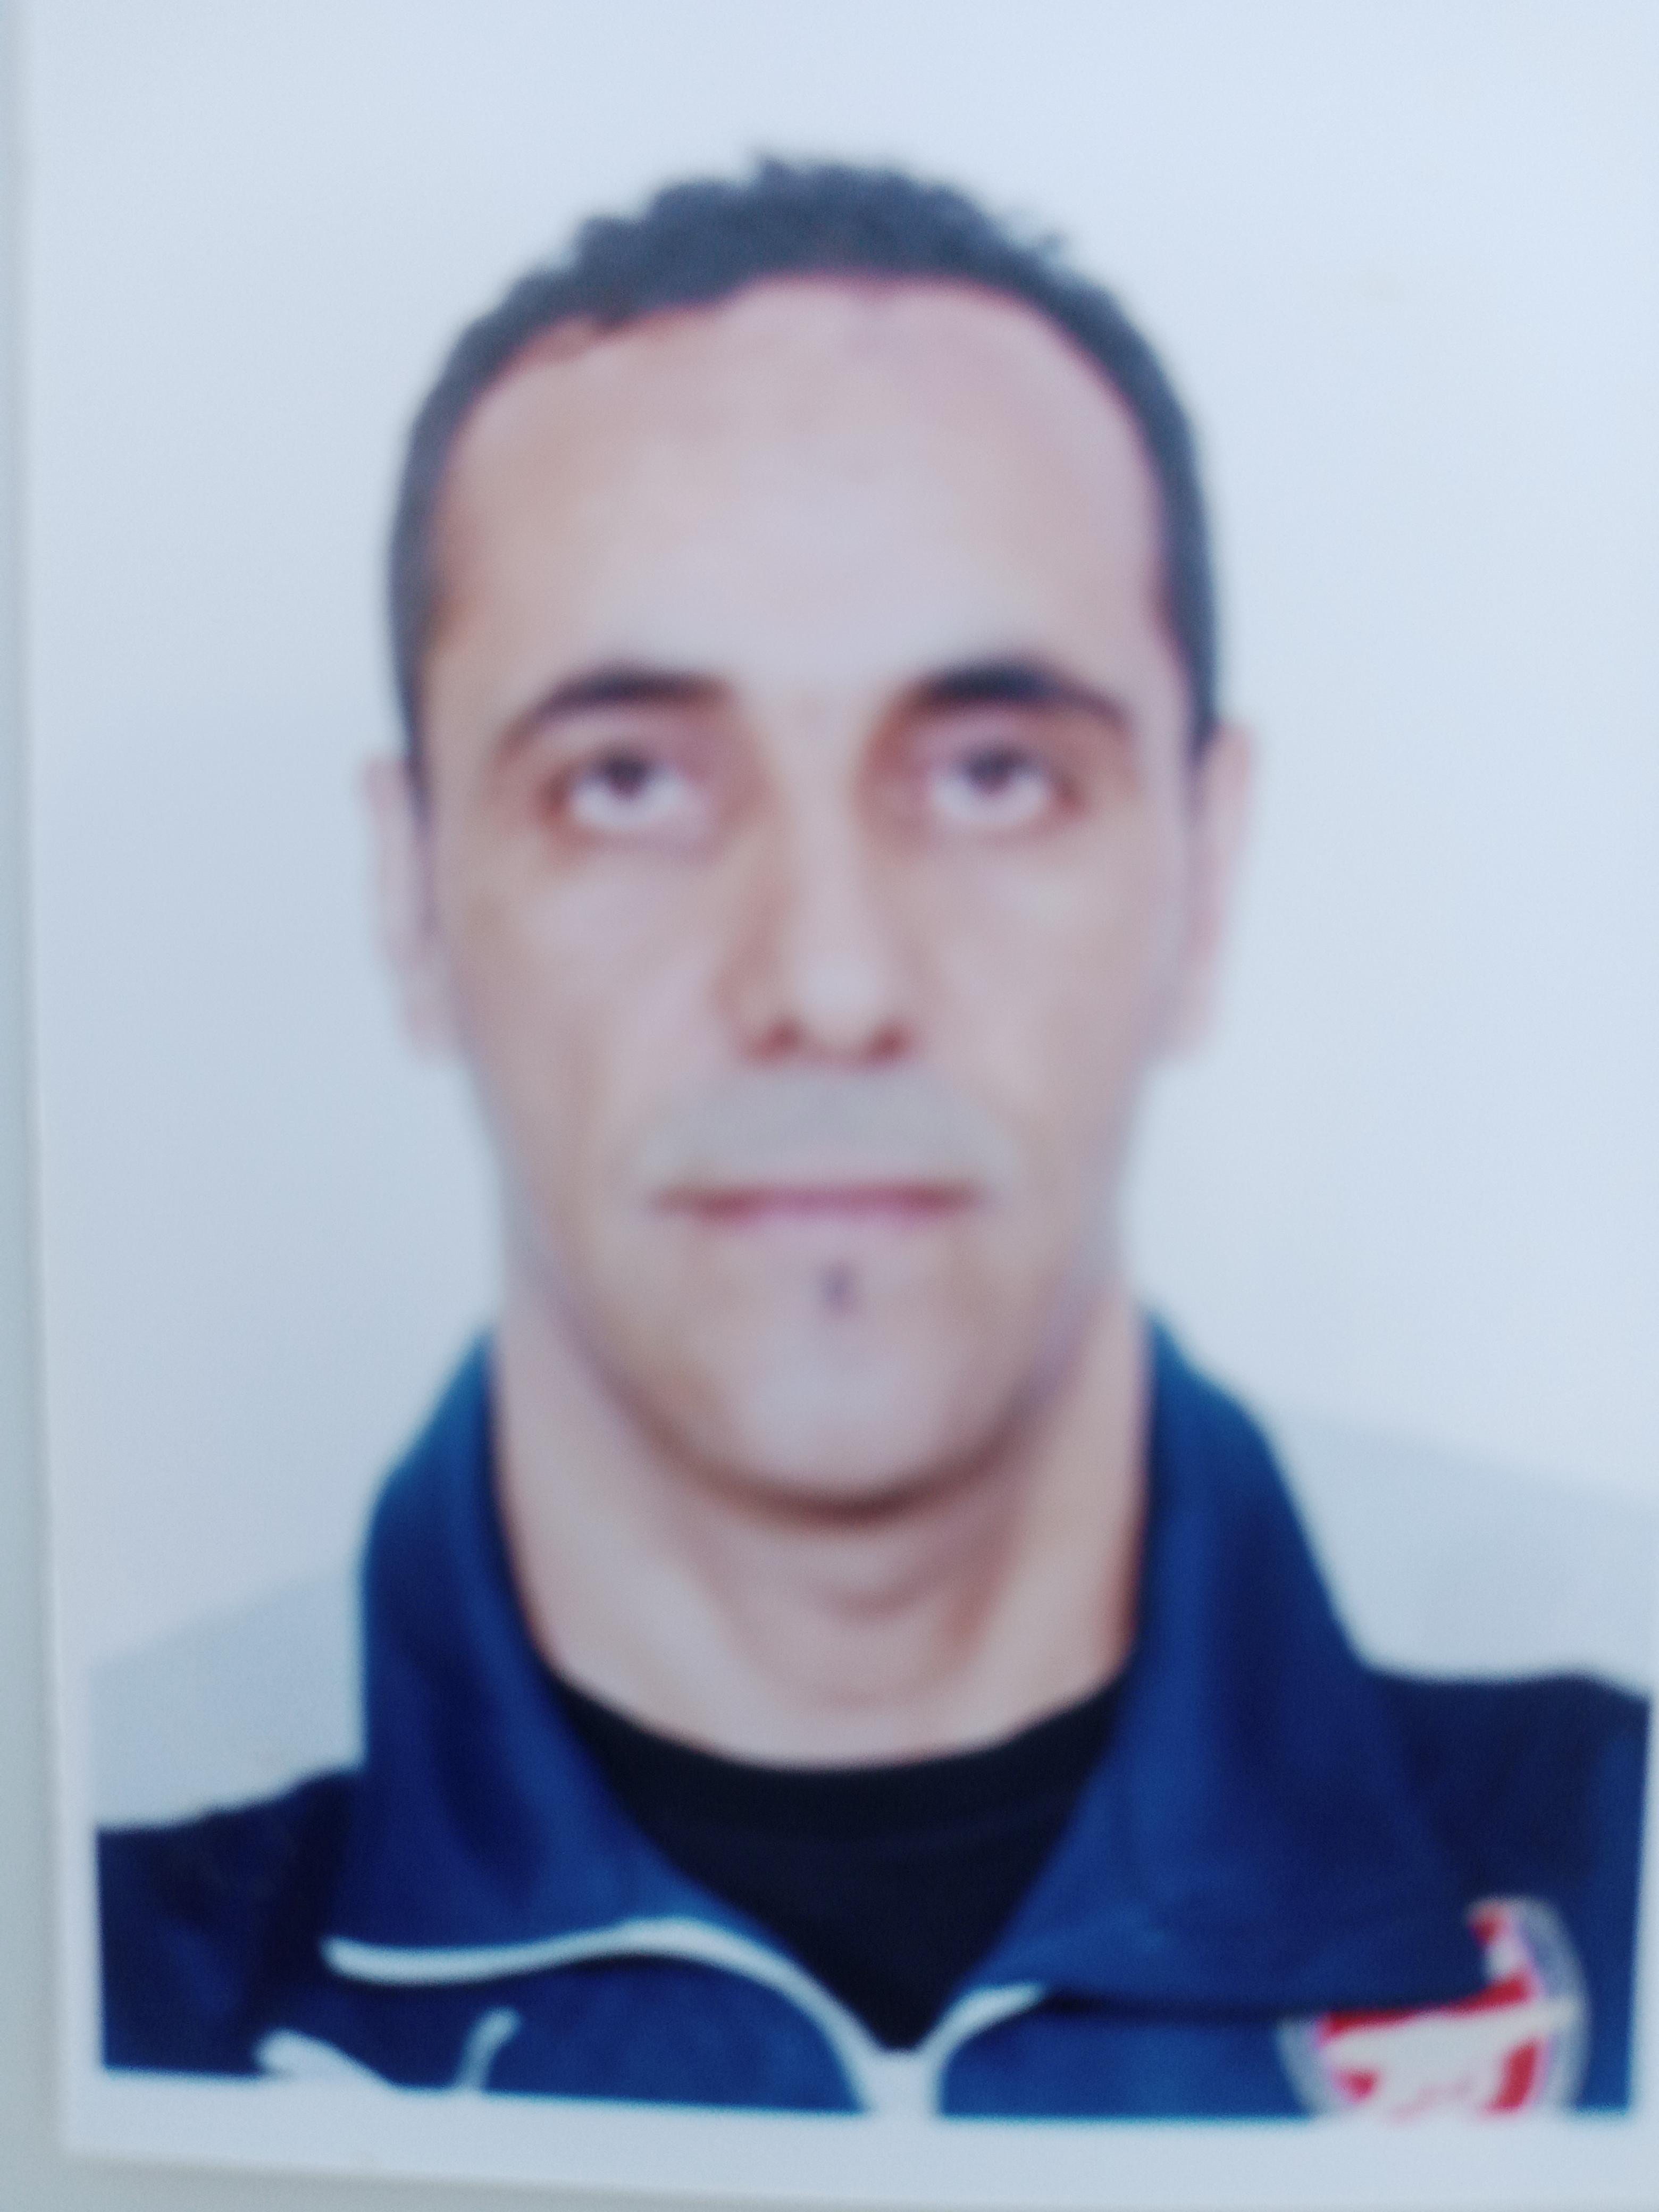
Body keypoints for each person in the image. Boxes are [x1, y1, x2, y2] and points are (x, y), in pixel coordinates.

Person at [98, 161, 1647, 2120]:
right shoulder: (89, 1880)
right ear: (411, 895)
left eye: (994, 774)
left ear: (1208, 869)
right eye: (628, 781)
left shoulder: (1616, 1783)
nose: (829, 983)